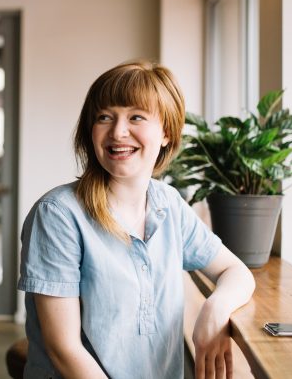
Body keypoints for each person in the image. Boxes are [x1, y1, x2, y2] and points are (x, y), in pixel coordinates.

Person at [18, 60, 255, 379]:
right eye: (104, 117)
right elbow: (64, 350)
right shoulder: (58, 214)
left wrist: (215, 308)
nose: (117, 132)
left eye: (136, 117)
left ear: (167, 133)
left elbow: (235, 271)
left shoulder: (168, 203)